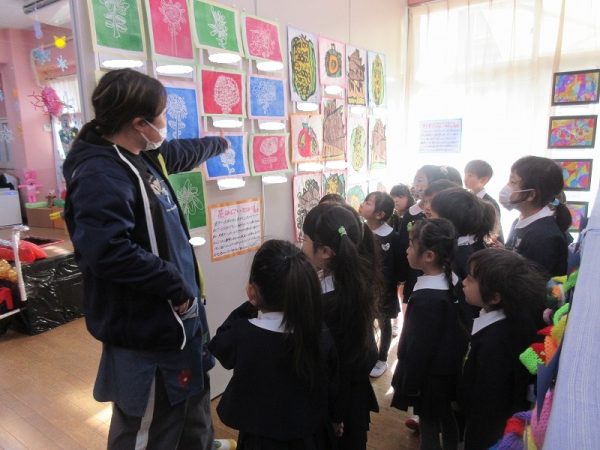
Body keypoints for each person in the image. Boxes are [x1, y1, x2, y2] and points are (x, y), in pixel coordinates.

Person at [63, 69, 229, 449]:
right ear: (139, 123)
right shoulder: (99, 173)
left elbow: (180, 152)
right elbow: (108, 251)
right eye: (162, 115)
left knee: (191, 398)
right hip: (148, 324)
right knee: (149, 422)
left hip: (178, 314)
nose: (165, 122)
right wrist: (174, 285)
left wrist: (219, 143)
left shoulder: (142, 153)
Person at [208, 240, 338, 449]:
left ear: (252, 292)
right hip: (308, 436)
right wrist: (336, 418)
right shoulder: (319, 332)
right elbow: (332, 382)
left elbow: (219, 345)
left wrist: (249, 306)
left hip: (260, 438)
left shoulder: (242, 334)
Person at [302, 203, 380, 450]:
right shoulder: (354, 279)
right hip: (348, 396)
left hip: (337, 404)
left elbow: (333, 366)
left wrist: (336, 413)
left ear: (325, 251)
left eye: (305, 239)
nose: (301, 245)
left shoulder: (330, 304)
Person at [391, 218, 467, 450]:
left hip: (429, 377)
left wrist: (410, 382)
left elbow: (418, 346)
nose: (407, 250)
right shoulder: (451, 280)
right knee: (445, 415)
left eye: (411, 245)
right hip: (447, 370)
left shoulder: (428, 299)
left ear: (429, 256)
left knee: (429, 423)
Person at [460, 248, 546, 449]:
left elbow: (488, 400)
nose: (463, 282)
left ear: (494, 297)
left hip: (488, 431)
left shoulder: (495, 343)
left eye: (470, 279)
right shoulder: (514, 320)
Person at [501, 156, 571, 278]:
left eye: (513, 182)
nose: (507, 187)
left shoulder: (544, 236)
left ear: (531, 195)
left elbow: (529, 282)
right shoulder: (520, 220)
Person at [358, 192, 403, 378]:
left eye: (368, 203)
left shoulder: (392, 237)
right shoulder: (360, 231)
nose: (363, 204)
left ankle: (382, 358)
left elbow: (398, 265)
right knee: (366, 320)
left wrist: (395, 284)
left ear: (380, 214)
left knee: (384, 323)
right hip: (363, 286)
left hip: (385, 289)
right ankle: (369, 353)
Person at [463, 159, 504, 242]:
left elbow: (494, 232)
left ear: (483, 180)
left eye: (470, 175)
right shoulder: (465, 198)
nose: (465, 179)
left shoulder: (490, 203)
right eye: (465, 174)